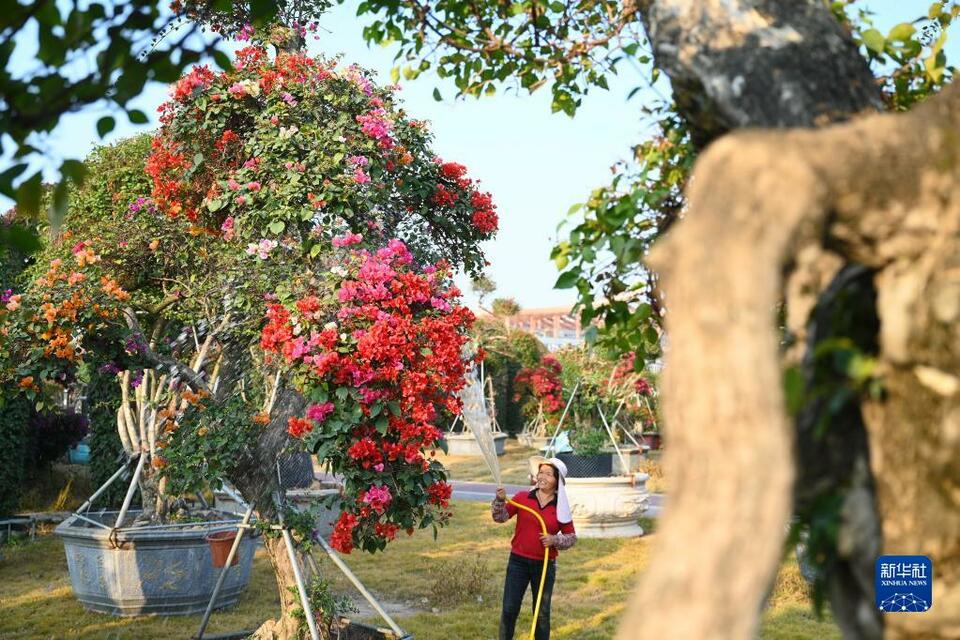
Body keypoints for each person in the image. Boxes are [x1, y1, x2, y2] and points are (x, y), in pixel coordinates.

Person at [492, 456, 577, 640]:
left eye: (548, 473)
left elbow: (571, 537)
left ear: (557, 482)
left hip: (544, 566)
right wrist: (499, 501)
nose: (542, 476)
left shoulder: (560, 507)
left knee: (542, 614)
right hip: (518, 563)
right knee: (509, 609)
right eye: (541, 472)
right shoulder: (523, 498)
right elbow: (500, 517)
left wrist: (554, 539)